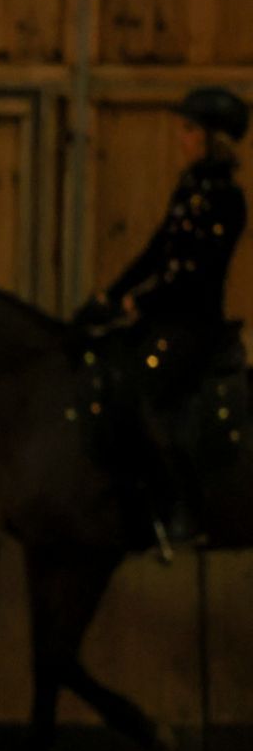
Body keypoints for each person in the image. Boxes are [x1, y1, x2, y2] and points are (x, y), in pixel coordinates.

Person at [76, 85, 247, 548]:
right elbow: (156, 252)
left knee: (145, 391)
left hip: (195, 326)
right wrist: (111, 294)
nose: (181, 138)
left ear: (212, 138)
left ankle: (183, 503)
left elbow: (194, 273)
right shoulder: (188, 190)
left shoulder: (227, 200)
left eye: (189, 130)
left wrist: (140, 302)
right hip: (166, 319)